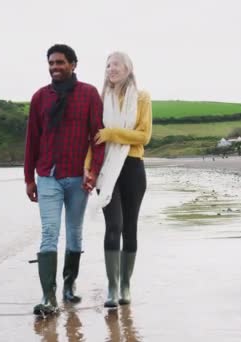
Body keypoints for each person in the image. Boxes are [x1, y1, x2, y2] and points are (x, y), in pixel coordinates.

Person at [24, 44, 105, 316]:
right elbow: (32, 140)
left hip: (77, 177)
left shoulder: (89, 94)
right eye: (51, 63)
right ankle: (49, 297)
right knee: (49, 232)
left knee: (74, 232)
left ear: (73, 64)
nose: (54, 67)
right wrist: (29, 178)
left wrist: (93, 171)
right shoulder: (40, 97)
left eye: (60, 62)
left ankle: (69, 287)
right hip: (47, 175)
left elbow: (98, 136)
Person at [92, 52, 152, 308]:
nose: (110, 69)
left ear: (128, 68)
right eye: (107, 65)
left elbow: (144, 136)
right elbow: (94, 139)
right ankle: (112, 287)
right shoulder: (101, 99)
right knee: (112, 226)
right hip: (107, 170)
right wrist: (88, 169)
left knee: (130, 228)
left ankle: (126, 285)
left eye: (115, 64)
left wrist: (113, 133)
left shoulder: (141, 97)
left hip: (132, 168)